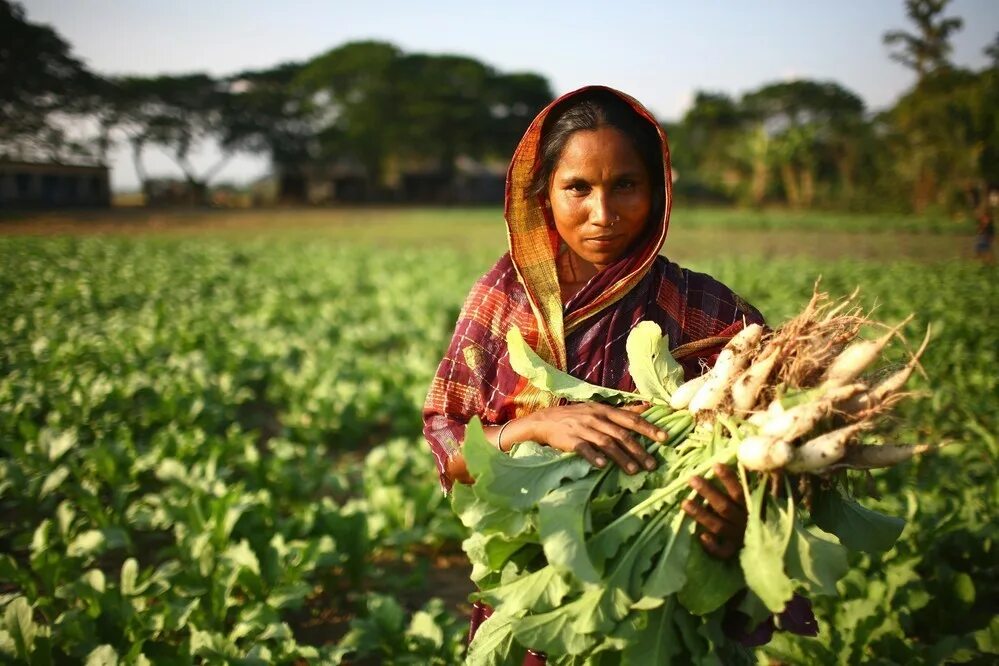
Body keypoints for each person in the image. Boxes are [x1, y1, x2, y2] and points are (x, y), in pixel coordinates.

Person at [423, 86, 773, 663]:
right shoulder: (503, 299)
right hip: (535, 605)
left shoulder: (712, 313)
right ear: (543, 193)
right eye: (578, 188)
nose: (603, 215)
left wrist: (743, 518)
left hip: (669, 606)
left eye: (626, 186)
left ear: (658, 192)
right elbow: (449, 447)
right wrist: (535, 429)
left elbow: (776, 467)